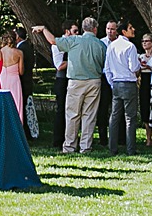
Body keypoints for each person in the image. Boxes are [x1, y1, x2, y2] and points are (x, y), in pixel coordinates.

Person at [37, 18, 106, 155]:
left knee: (73, 115)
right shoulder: (101, 45)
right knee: (89, 115)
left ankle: (69, 146)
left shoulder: (75, 40)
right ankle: (86, 146)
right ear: (95, 29)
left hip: (76, 81)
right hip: (94, 81)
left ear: (83, 28)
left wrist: (44, 29)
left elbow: (53, 41)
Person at [103, 20, 142, 155]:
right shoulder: (130, 47)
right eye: (131, 28)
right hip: (129, 83)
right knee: (130, 117)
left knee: (114, 116)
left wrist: (112, 83)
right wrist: (138, 67)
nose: (133, 30)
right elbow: (133, 67)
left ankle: (112, 147)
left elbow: (107, 69)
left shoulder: (111, 46)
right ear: (124, 31)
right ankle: (131, 149)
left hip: (116, 83)